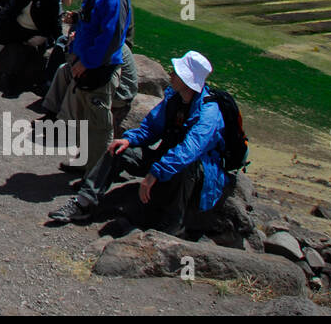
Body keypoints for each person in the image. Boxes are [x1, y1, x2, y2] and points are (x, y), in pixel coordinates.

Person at [49, 51, 227, 238]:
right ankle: (84, 202)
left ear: (187, 79)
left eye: (176, 71)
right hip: (166, 160)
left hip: (194, 172)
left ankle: (171, 227)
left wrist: (154, 173)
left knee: (185, 167)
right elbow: (151, 128)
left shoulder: (209, 112)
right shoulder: (174, 99)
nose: (171, 74)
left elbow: (189, 151)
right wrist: (129, 139)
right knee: (118, 148)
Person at [44, 0, 132, 176]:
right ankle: (85, 162)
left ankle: (95, 175)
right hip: (87, 66)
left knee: (100, 125)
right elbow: (94, 21)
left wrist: (87, 62)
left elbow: (110, 37)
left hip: (99, 69)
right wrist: (79, 19)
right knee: (85, 118)